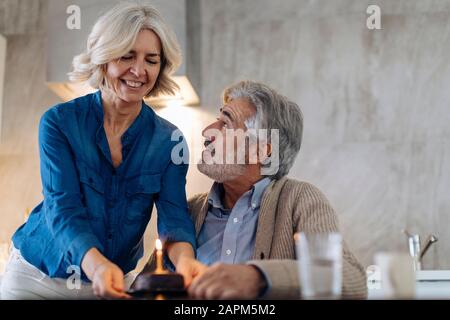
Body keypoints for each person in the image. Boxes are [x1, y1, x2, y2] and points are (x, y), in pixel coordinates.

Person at [0, 3, 202, 300]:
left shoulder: (170, 140)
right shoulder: (59, 122)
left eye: (151, 60)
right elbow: (63, 209)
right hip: (38, 278)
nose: (139, 71)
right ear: (105, 58)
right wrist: (97, 268)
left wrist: (186, 262)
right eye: (127, 56)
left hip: (114, 282)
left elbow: (174, 218)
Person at [186, 80, 368, 299]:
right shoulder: (191, 209)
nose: (207, 132)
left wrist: (257, 277)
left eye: (226, 123)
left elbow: (351, 279)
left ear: (261, 151)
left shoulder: (300, 200)